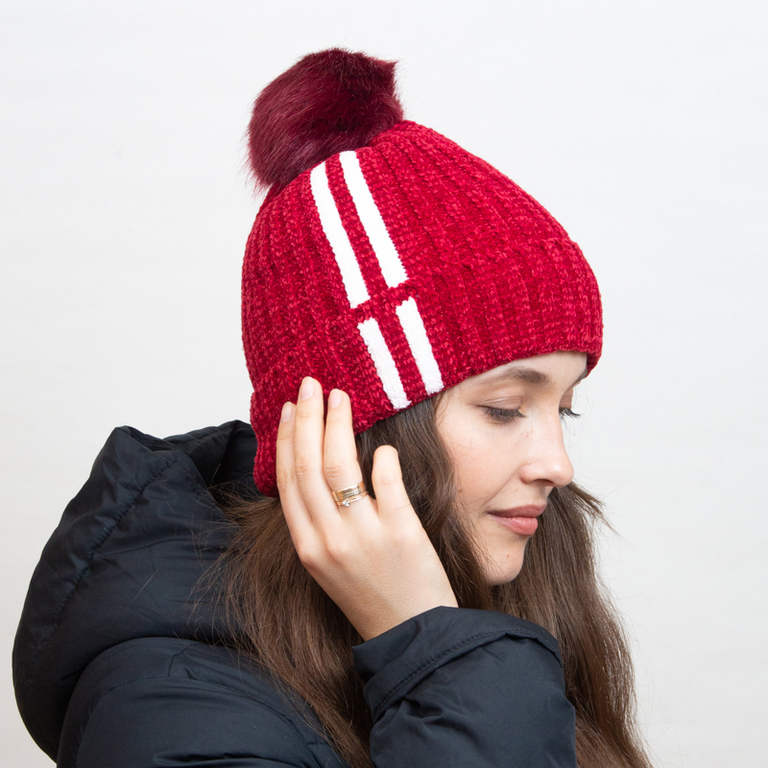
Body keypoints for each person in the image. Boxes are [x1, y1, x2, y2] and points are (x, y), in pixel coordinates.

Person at [13, 50, 653, 768]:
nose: (557, 466)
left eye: (562, 411)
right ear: (349, 428)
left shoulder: (512, 590)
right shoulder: (167, 714)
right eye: (505, 407)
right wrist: (430, 644)